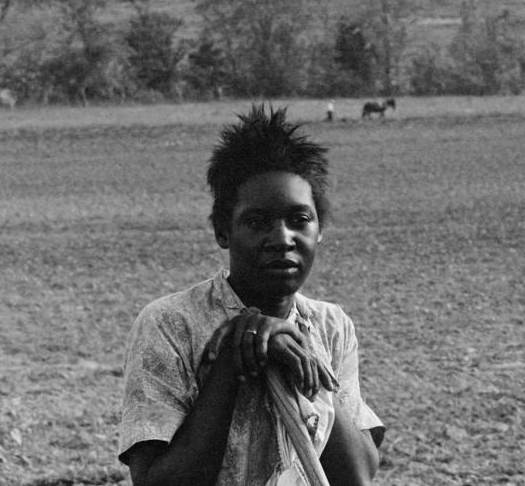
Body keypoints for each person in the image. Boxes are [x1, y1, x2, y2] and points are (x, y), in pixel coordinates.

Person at [118, 105, 384, 486]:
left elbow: (356, 478)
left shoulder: (331, 326)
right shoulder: (172, 324)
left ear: (320, 230)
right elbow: (157, 482)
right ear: (223, 232)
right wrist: (231, 360)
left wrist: (301, 353)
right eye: (258, 222)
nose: (282, 239)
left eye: (299, 220)